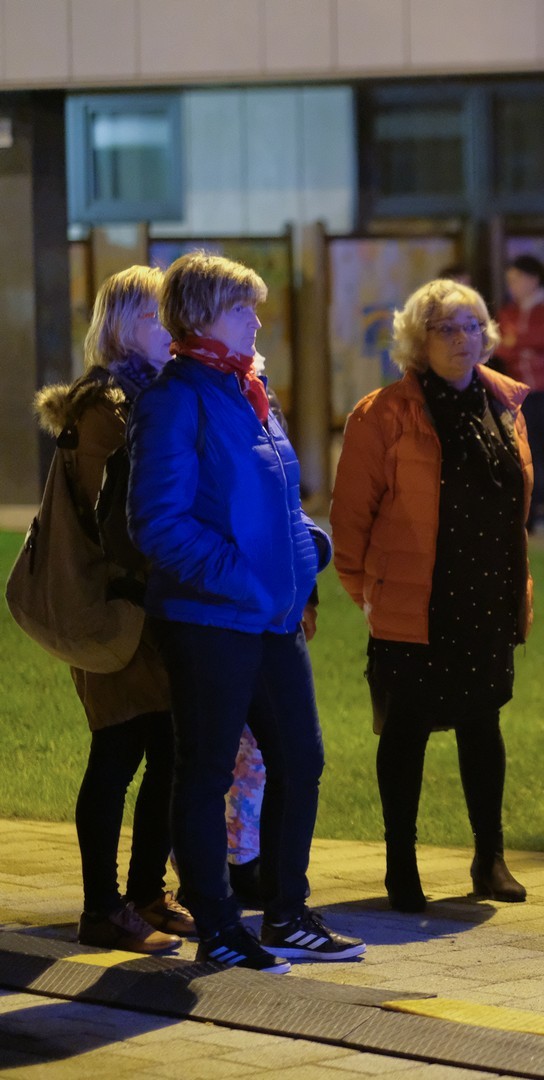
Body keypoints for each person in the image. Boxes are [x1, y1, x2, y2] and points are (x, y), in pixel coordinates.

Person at [127, 251, 364, 972]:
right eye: (242, 308)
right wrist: (248, 581)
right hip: (210, 621)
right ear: (200, 315)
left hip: (269, 619)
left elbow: (279, 498)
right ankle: (220, 926)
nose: (257, 320)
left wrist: (308, 549)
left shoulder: (249, 387)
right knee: (206, 773)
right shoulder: (176, 399)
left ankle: (286, 914)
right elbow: (158, 525)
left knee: (301, 760)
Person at [331, 279, 534, 913]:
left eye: (472, 326)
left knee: (483, 723)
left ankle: (489, 857)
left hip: (485, 596)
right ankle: (401, 863)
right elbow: (349, 522)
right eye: (446, 328)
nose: (462, 339)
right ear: (418, 340)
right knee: (406, 730)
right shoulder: (381, 414)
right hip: (413, 603)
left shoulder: (504, 403)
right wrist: (370, 594)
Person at [33, 266, 191, 954]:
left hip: (150, 609)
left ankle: (146, 892)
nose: (170, 330)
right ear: (124, 325)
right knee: (119, 749)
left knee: (170, 749)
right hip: (115, 609)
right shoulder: (108, 405)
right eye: (157, 317)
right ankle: (102, 908)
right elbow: (113, 518)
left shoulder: (152, 396)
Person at [495, 255, 544, 536]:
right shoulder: (508, 311)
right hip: (520, 393)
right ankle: (530, 516)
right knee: (527, 454)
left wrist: (515, 341)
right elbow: (500, 347)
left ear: (533, 279)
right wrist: (517, 344)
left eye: (516, 279)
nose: (512, 286)